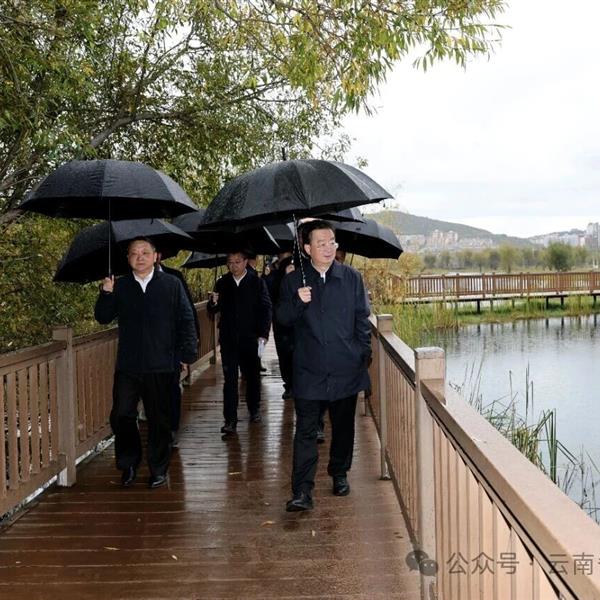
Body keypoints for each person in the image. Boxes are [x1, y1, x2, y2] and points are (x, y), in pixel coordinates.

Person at [277, 220, 371, 511]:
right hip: (309, 369)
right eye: (321, 243)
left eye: (332, 242)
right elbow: (281, 320)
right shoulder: (294, 280)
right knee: (305, 431)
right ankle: (302, 491)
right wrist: (298, 301)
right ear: (307, 248)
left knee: (343, 426)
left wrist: (362, 354)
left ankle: (339, 472)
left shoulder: (351, 278)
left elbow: (362, 318)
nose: (329, 248)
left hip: (345, 367)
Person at [95, 238, 198, 489]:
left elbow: (186, 319)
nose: (139, 257)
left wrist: (187, 354)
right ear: (128, 258)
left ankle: (158, 468)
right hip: (129, 365)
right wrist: (106, 293)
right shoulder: (121, 285)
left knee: (159, 419)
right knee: (121, 414)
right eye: (134, 253)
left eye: (144, 252)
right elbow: (103, 317)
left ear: (155, 256)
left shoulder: (172, 284)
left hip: (162, 363)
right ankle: (129, 463)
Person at [207, 250, 272, 434]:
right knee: (230, 380)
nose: (233, 265)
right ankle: (230, 419)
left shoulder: (256, 282)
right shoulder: (222, 283)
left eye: (237, 261)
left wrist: (263, 334)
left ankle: (254, 409)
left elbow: (266, 308)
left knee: (252, 376)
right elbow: (213, 310)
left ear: (245, 262)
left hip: (251, 338)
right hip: (228, 338)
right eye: (230, 262)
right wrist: (213, 302)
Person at [156, 252, 200, 448]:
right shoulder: (129, 281)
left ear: (158, 255)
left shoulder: (174, 277)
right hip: (147, 349)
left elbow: (187, 311)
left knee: (172, 388)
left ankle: (172, 429)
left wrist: (190, 345)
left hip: (172, 345)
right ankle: (159, 432)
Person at [264, 252, 295, 399]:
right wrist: (283, 276)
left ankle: (296, 384)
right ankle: (289, 384)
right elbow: (269, 292)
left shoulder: (302, 268)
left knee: (296, 354)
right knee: (284, 354)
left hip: (298, 322)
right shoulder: (275, 274)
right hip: (281, 322)